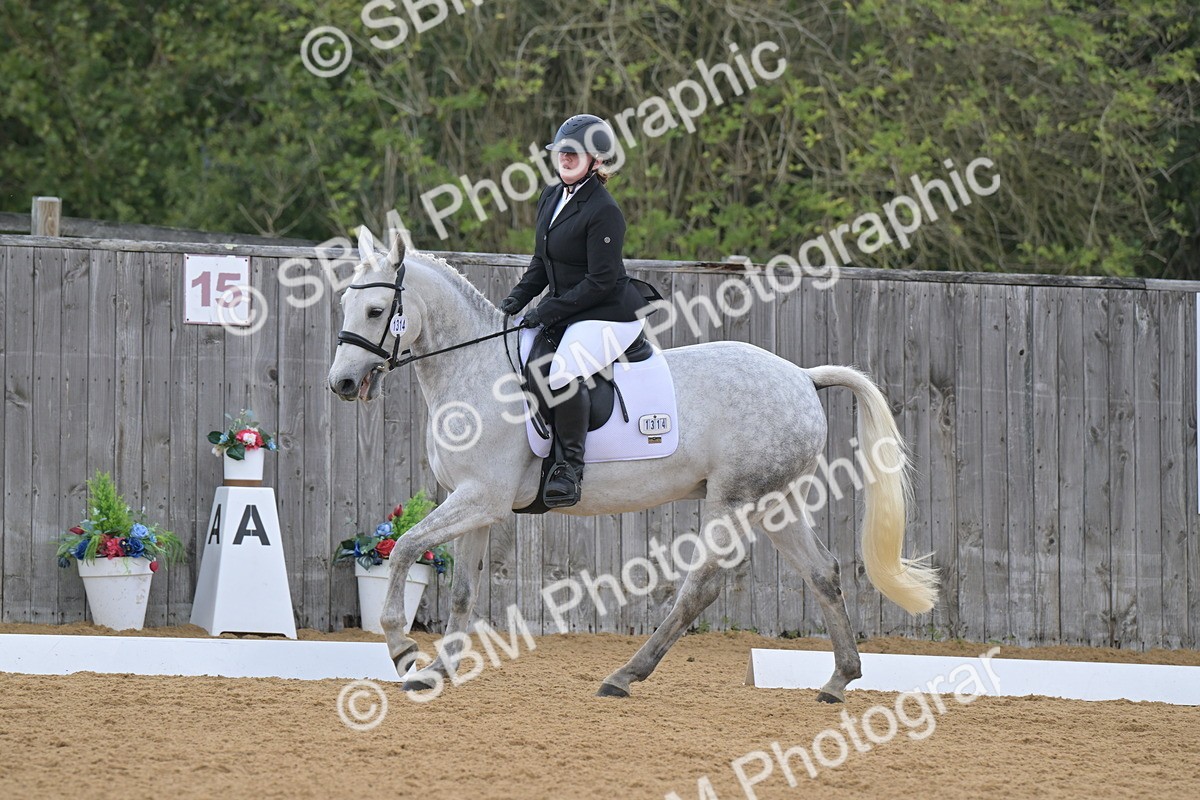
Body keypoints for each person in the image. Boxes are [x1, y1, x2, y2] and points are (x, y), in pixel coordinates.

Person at [500, 114, 654, 509]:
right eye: (560, 151)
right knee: (522, 355)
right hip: (570, 308)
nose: (565, 158)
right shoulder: (551, 197)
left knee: (564, 370)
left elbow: (601, 281)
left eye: (574, 153)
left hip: (608, 312)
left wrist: (547, 309)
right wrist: (518, 299)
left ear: (596, 161)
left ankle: (569, 468)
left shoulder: (604, 210)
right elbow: (542, 261)